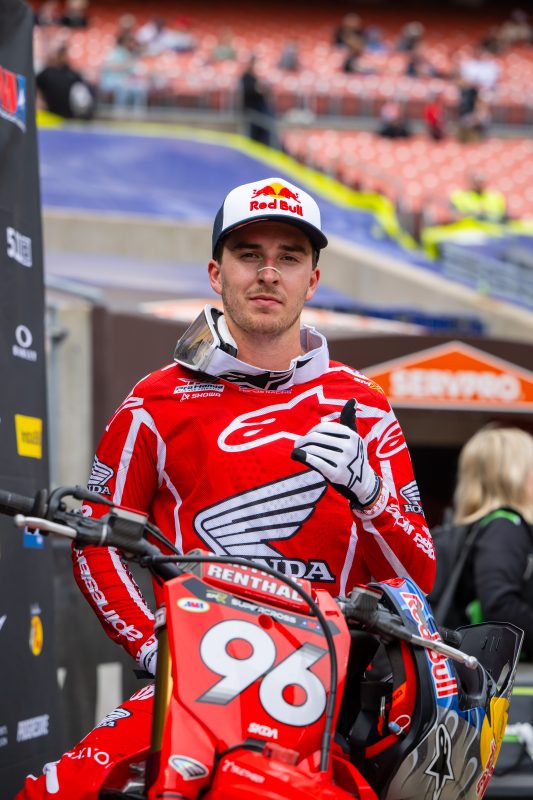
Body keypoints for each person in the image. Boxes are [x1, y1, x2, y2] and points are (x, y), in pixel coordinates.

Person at [16, 176, 435, 798]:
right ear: (216, 273)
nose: (268, 273)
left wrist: (371, 495)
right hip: (195, 687)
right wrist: (156, 647)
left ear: (312, 280)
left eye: (288, 257)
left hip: (332, 700)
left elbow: (417, 580)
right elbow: (94, 543)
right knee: (56, 790)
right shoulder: (155, 400)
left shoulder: (366, 406)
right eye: (248, 255)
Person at [452, 426, 533, 656]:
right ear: (513, 476)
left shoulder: (482, 527)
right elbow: (501, 607)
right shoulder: (504, 526)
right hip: (502, 671)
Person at [36, 42, 96, 119]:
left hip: (68, 117)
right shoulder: (46, 73)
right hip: (51, 116)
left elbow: (83, 97)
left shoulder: (74, 75)